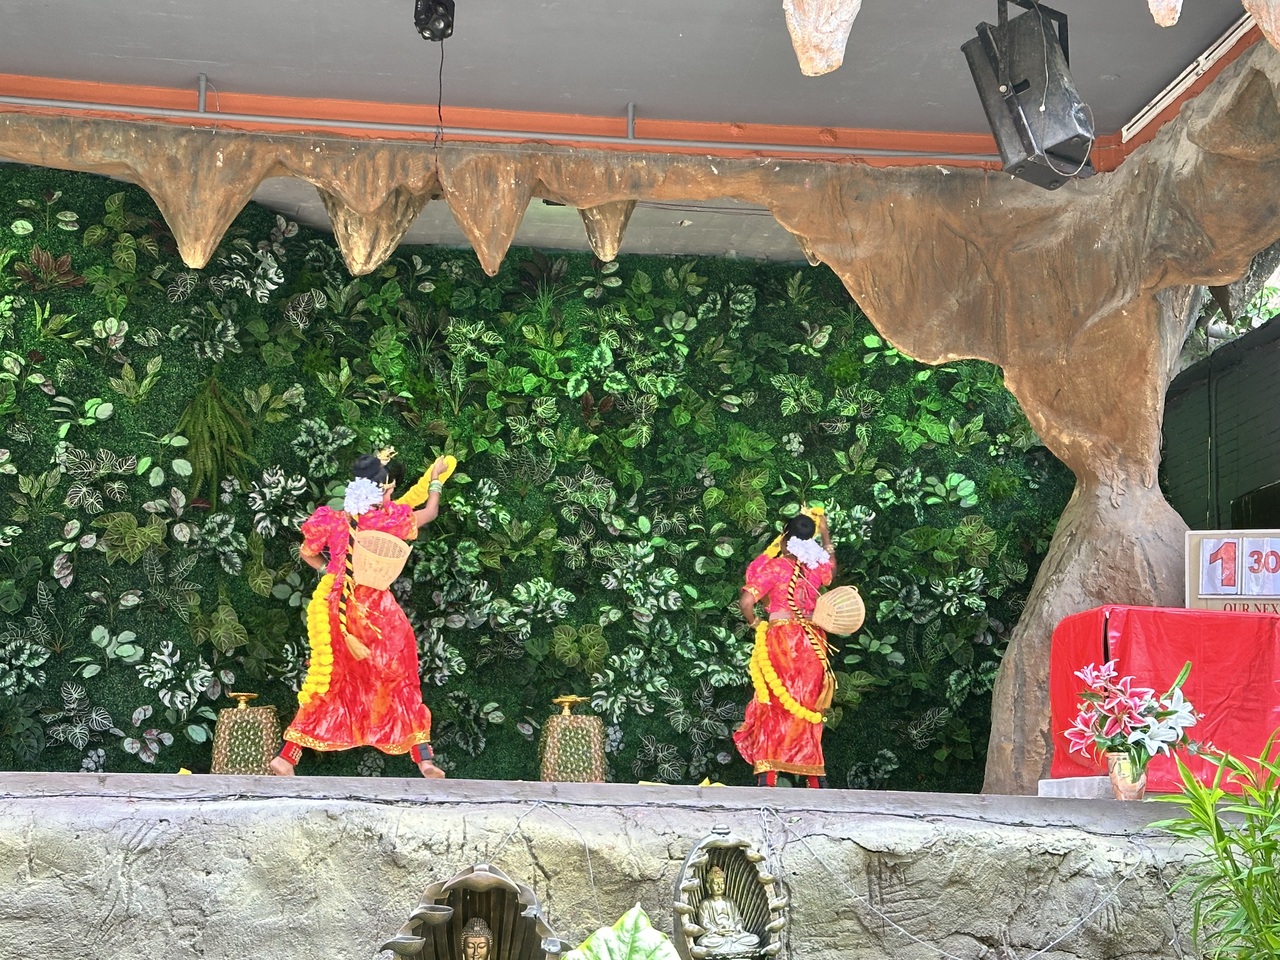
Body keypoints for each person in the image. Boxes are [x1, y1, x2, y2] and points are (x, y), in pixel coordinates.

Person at [269, 449, 454, 778]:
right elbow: (430, 511)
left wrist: (330, 570)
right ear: (389, 486)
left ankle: (287, 757)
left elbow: (307, 552)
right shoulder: (390, 520)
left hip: (338, 607)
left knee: (329, 680)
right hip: (377, 612)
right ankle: (424, 759)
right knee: (400, 678)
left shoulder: (334, 519)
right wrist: (436, 479)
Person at [732, 509, 836, 788]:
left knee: (775, 703)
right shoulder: (815, 568)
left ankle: (768, 775)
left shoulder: (775, 568)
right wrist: (825, 533)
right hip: (813, 642)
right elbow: (830, 571)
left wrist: (756, 624)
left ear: (785, 538)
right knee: (809, 704)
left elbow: (746, 603)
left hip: (782, 641)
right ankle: (815, 778)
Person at [693, 865, 760, 956]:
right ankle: (731, 947)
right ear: (709, 886)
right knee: (704, 942)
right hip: (716, 936)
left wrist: (738, 926)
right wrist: (717, 930)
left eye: (722, 883)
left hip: (733, 934)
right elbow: (704, 922)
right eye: (716, 883)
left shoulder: (730, 901)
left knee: (755, 939)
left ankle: (731, 947)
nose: (719, 886)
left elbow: (738, 918)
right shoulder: (706, 903)